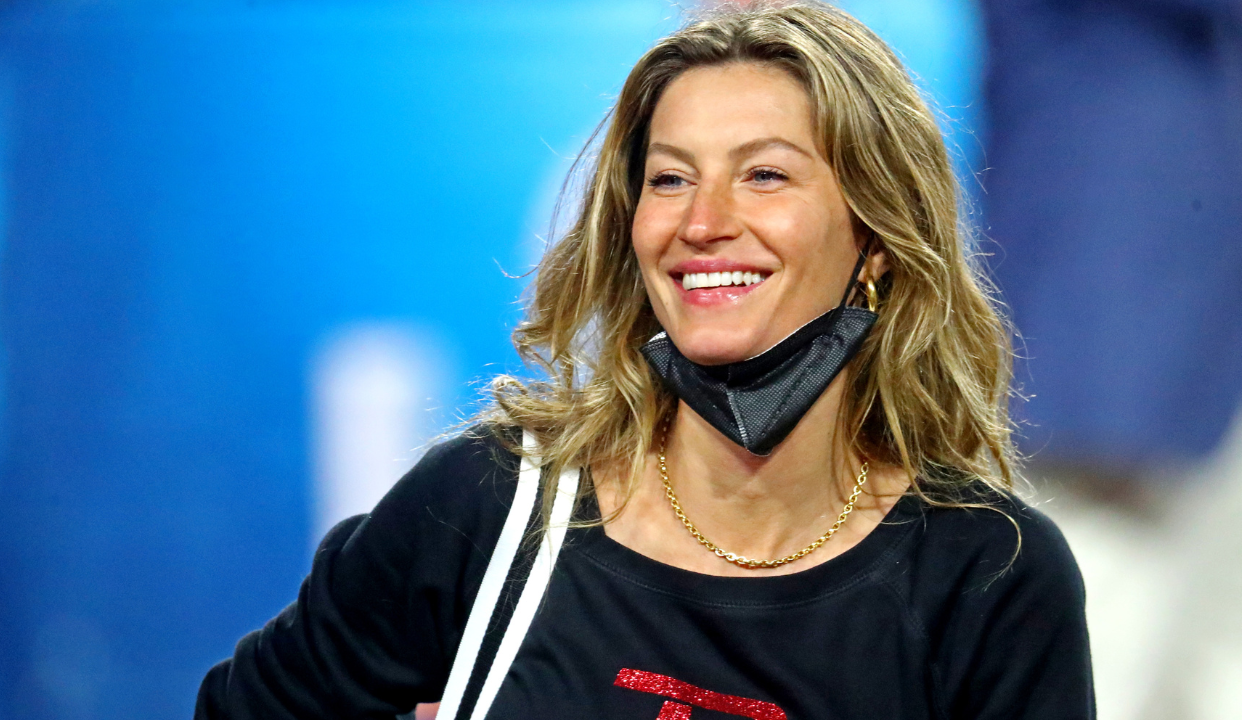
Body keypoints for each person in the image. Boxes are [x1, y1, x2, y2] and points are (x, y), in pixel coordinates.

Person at [195, 3, 1094, 718]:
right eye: (669, 178)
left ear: (880, 236)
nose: (701, 222)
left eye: (765, 174)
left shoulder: (988, 574)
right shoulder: (489, 507)